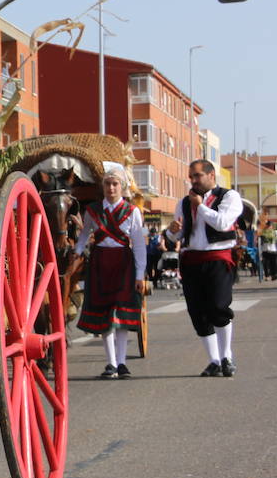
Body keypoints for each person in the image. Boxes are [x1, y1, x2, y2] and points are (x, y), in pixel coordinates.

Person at [166, 159, 243, 376]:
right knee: (197, 313)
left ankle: (226, 356)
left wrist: (200, 206)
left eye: (197, 175)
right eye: (191, 176)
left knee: (218, 307)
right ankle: (214, 361)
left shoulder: (229, 196)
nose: (193, 180)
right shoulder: (184, 202)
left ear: (211, 176)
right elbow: (176, 235)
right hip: (192, 260)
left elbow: (222, 223)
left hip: (218, 257)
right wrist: (172, 231)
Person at [69, 167, 147, 379]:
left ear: (122, 187)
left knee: (120, 314)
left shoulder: (132, 212)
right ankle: (111, 363)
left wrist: (140, 274)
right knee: (106, 313)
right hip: (100, 263)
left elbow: (139, 244)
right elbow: (84, 235)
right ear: (102, 187)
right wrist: (76, 252)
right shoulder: (93, 210)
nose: (111, 188)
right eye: (107, 184)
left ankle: (121, 363)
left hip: (124, 264)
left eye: (115, 184)